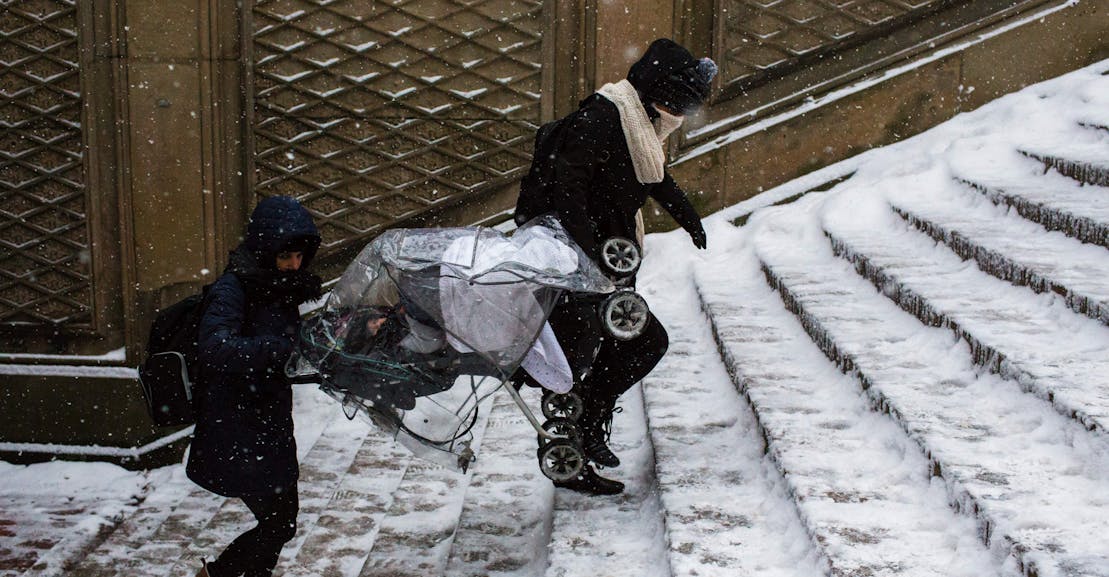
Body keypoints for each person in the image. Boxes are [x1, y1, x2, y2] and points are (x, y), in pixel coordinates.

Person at [520, 38, 716, 495]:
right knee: (589, 355)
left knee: (634, 346)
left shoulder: (637, 126)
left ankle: (588, 422)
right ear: (652, 89)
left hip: (603, 265)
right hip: (575, 266)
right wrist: (590, 258)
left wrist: (689, 218)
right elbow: (568, 191)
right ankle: (571, 452)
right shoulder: (602, 119)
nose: (677, 115)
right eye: (674, 102)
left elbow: (653, 178)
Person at [187, 196, 322, 577]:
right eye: (286, 257)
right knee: (280, 522)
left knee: (282, 521)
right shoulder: (233, 289)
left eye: (299, 257)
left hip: (269, 421)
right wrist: (279, 351)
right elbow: (215, 348)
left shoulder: (278, 287)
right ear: (266, 250)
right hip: (237, 423)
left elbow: (286, 349)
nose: (294, 265)